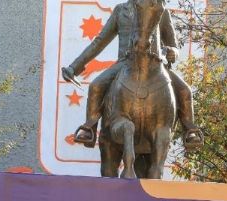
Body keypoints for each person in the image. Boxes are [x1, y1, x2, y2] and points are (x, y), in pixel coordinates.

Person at [61, 1, 202, 149]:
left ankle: (190, 130)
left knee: (185, 91)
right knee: (96, 86)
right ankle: (89, 128)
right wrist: (75, 67)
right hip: (124, 64)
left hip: (155, 65)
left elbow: (173, 44)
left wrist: (174, 52)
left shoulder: (161, 10)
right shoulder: (121, 10)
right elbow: (100, 41)